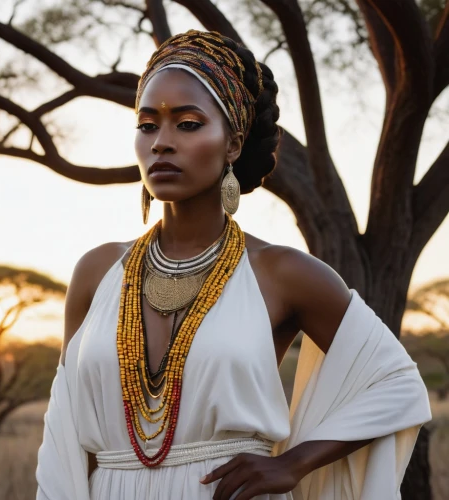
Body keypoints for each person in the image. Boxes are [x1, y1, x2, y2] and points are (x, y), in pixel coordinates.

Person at [36, 30, 431, 500]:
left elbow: (397, 383)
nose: (161, 143)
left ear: (233, 143)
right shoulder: (97, 271)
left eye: (187, 124)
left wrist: (293, 463)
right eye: (147, 125)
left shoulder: (282, 273)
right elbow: (66, 429)